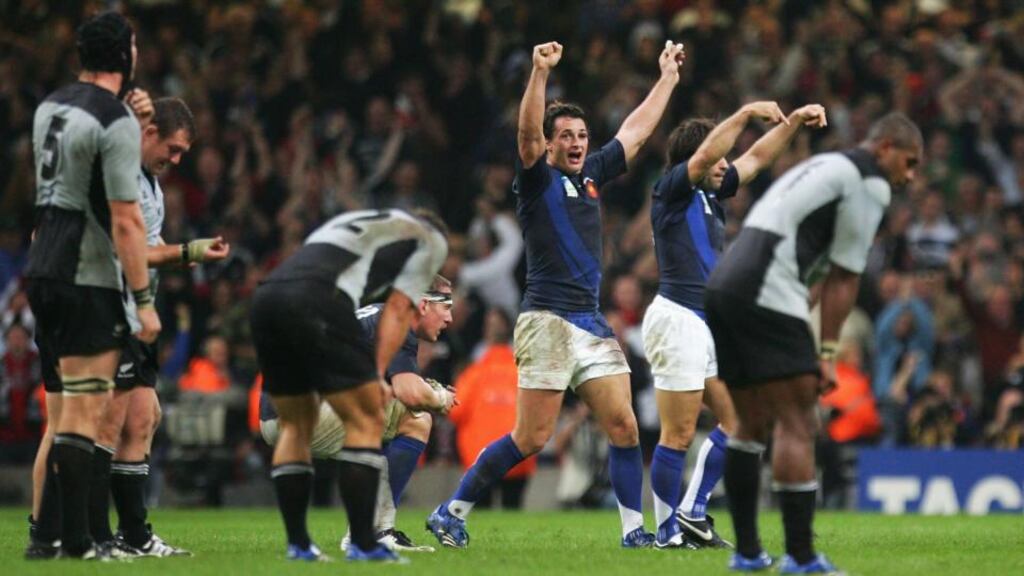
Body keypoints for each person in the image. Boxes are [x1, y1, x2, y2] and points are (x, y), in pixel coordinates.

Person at [427, 39, 684, 549]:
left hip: (589, 321)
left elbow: (633, 131)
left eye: (582, 135)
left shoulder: (591, 176)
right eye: (564, 135)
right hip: (545, 319)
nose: (576, 142)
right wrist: (539, 74)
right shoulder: (537, 178)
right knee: (532, 438)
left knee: (625, 426)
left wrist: (668, 80)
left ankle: (634, 532)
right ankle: (450, 510)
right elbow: (525, 132)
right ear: (547, 145)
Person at [704, 112, 922, 573]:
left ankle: (746, 553)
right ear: (884, 148)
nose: (910, 175)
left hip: (726, 284)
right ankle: (801, 558)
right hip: (767, 289)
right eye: (910, 161)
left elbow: (818, 268)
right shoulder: (869, 180)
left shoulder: (825, 166)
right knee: (798, 421)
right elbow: (845, 277)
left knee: (750, 422)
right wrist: (825, 354)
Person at [643, 101, 827, 549]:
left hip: (707, 320)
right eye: (718, 156)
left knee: (742, 419)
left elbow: (758, 158)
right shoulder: (671, 191)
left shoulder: (711, 192)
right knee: (679, 432)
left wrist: (794, 123)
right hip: (678, 317)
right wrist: (744, 114)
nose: (726, 164)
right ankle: (667, 530)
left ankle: (691, 512)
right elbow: (707, 156)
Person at [23, 11, 161, 560]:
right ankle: (81, 542)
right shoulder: (116, 121)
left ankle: (42, 539)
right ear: (125, 52)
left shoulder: (51, 105)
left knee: (61, 416)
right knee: (87, 414)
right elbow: (125, 219)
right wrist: (144, 301)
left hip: (42, 264)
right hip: (87, 274)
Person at [250, 208, 447, 562]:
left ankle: (299, 545)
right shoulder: (427, 243)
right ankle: (368, 539)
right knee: (382, 417)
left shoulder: (358, 223)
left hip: (269, 296)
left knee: (296, 424)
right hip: (319, 300)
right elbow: (400, 313)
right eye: (444, 305)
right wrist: (389, 380)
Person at [87, 96, 228, 557]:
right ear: (148, 134)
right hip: (109, 312)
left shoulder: (151, 184)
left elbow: (151, 244)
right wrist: (186, 251)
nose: (177, 159)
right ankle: (94, 534)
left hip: (137, 315)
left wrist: (189, 252)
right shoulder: (120, 174)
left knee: (143, 418)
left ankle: (134, 534)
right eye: (174, 148)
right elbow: (126, 252)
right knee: (107, 423)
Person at [448, 308, 536, 510]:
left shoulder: (473, 374)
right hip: (518, 457)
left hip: (479, 458)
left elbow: (455, 411)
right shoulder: (524, 373)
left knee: (479, 515)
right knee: (513, 512)